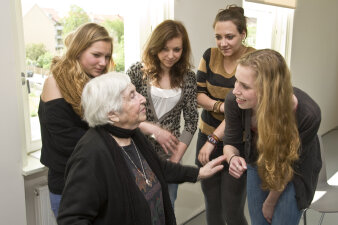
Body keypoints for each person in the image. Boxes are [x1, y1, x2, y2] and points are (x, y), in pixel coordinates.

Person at [57, 72, 226, 225]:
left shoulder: (133, 134)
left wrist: (198, 173)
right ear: (112, 114)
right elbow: (71, 219)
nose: (142, 98)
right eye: (132, 96)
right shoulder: (91, 154)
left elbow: (159, 168)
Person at [223, 49, 322, 225]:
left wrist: (270, 202)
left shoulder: (307, 114)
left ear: (269, 90)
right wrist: (232, 157)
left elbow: (288, 165)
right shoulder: (234, 101)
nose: (235, 90)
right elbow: (230, 141)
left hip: (293, 171)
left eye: (245, 86)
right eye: (236, 80)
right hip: (257, 161)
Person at [38, 23, 113, 217]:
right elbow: (69, 141)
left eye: (107, 56)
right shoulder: (55, 82)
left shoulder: (91, 81)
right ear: (78, 50)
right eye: (96, 55)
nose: (103, 63)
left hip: (96, 181)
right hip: (69, 185)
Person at [127, 20, 198, 207]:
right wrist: (154, 131)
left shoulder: (189, 78)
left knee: (167, 206)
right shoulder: (137, 72)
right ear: (155, 46)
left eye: (177, 49)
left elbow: (191, 121)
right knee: (139, 208)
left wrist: (175, 159)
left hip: (171, 157)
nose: (171, 55)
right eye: (165, 49)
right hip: (138, 154)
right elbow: (124, 114)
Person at [195, 5, 254, 225]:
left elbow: (242, 110)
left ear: (243, 34)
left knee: (232, 209)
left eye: (230, 37)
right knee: (212, 204)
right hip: (207, 135)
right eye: (218, 37)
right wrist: (221, 106)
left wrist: (213, 140)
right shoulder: (209, 55)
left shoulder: (253, 59)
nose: (223, 43)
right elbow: (198, 95)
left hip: (236, 141)